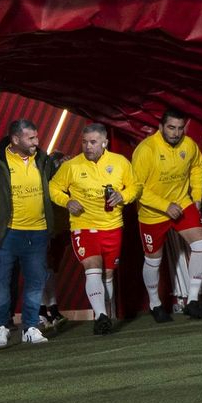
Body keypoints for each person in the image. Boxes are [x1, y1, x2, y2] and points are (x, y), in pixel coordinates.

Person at [0, 118, 63, 348]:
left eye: (36, 137)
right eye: (31, 138)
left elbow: (57, 185)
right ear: (15, 139)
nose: (36, 142)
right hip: (6, 234)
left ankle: (30, 327)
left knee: (35, 281)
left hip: (38, 232)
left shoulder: (42, 159)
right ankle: (2, 326)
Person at [49, 123, 142, 335]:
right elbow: (53, 187)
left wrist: (123, 196)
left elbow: (135, 186)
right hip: (83, 226)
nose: (88, 146)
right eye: (84, 142)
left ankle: (106, 314)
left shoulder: (119, 162)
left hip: (112, 226)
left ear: (104, 142)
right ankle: (100, 316)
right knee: (92, 267)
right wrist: (67, 201)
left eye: (92, 142)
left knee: (108, 274)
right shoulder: (71, 166)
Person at [130, 109, 202, 322]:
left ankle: (192, 300)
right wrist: (165, 206)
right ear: (160, 127)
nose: (176, 133)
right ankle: (155, 304)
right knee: (153, 260)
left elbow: (197, 167)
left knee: (201, 243)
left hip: (182, 203)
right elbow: (136, 188)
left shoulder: (189, 145)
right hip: (153, 213)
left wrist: (196, 194)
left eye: (180, 128)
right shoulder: (146, 150)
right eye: (171, 128)